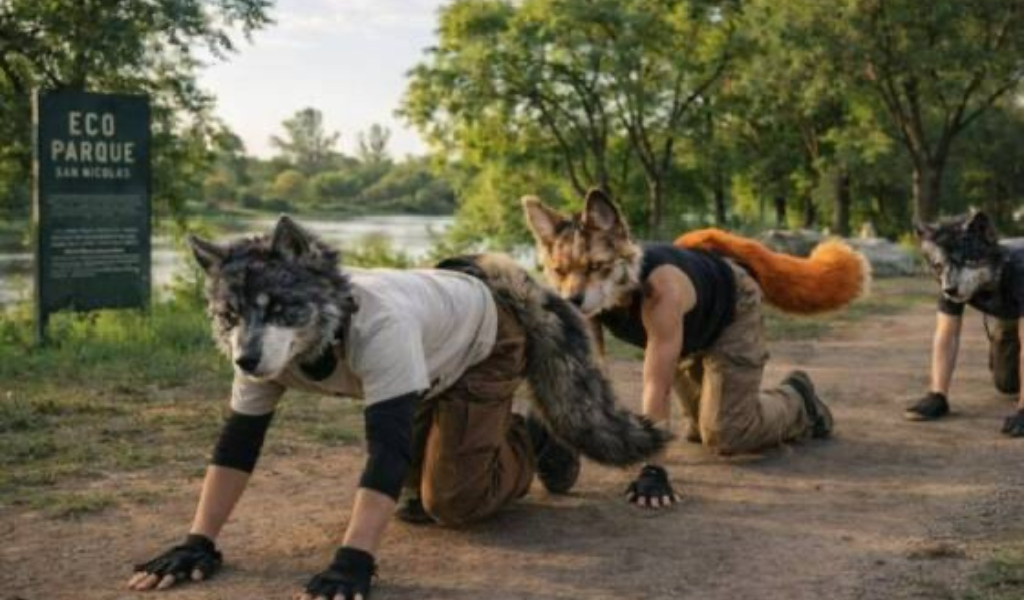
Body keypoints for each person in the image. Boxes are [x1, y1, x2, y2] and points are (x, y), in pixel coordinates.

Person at [909, 211, 1024, 436]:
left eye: (962, 269)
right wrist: (937, 395)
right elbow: (947, 334)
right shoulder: (952, 273)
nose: (949, 283)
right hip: (1010, 308)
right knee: (1007, 383)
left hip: (1015, 289)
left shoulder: (1018, 270)